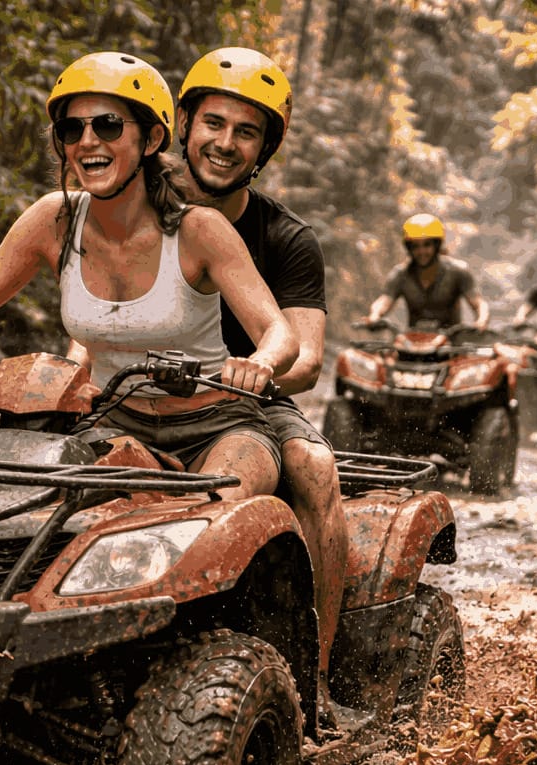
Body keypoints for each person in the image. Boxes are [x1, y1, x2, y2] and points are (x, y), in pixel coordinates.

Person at [0, 52, 296, 501]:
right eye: (73, 129)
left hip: (219, 428)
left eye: (108, 126)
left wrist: (260, 363)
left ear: (151, 139)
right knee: (12, 497)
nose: (88, 141)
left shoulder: (200, 229)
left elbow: (278, 330)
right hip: (111, 423)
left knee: (211, 520)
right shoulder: (54, 219)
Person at [174, 46, 347, 670]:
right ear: (184, 126)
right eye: (214, 124)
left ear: (264, 149)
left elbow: (305, 359)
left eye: (246, 132)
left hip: (246, 400)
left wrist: (254, 371)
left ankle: (316, 670)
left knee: (312, 465)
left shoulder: (288, 239)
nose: (226, 143)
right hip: (132, 393)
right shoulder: (133, 205)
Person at [363, 213, 490, 330]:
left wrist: (481, 320)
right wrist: (375, 315)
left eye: (427, 245)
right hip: (411, 344)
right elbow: (385, 300)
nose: (421, 252)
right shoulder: (401, 274)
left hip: (451, 347)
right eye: (415, 246)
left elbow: (478, 303)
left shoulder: (458, 271)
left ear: (437, 245)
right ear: (409, 249)